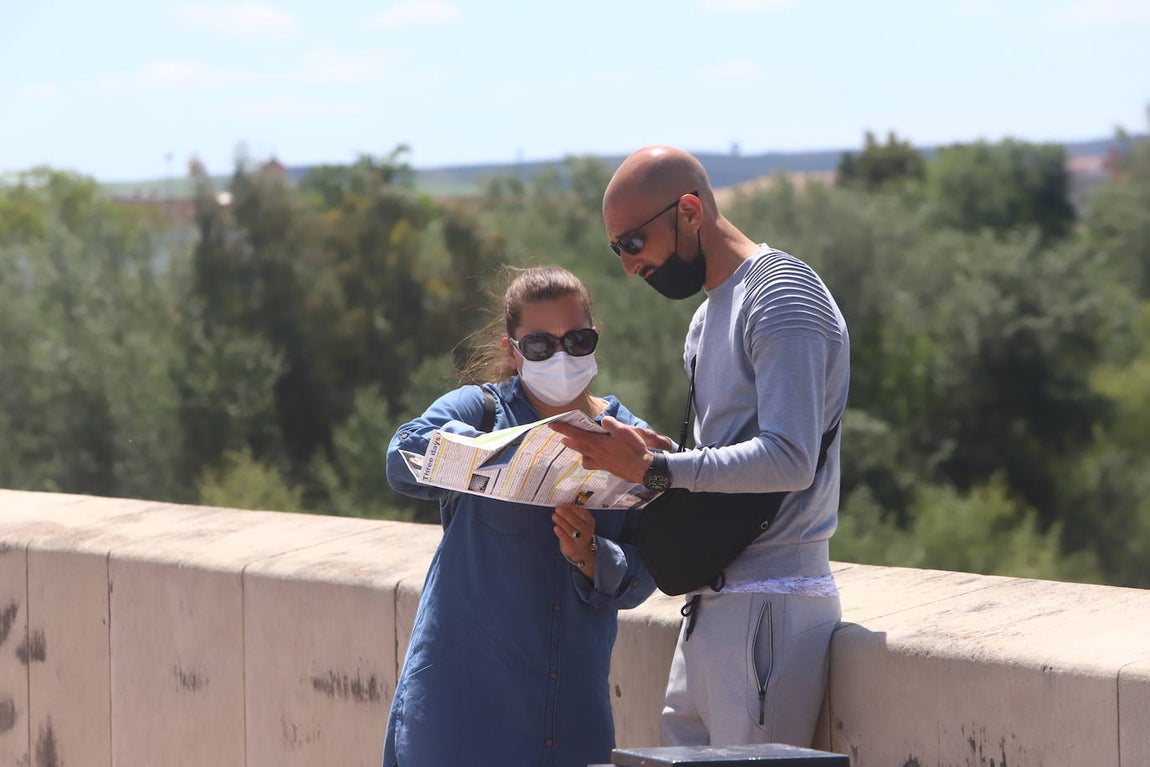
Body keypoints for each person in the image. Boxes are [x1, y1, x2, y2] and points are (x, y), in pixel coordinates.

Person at [551, 146, 850, 749]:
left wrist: (656, 467)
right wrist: (652, 451)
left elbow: (790, 458)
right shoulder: (707, 317)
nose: (629, 267)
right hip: (713, 600)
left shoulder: (781, 295)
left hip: (773, 601)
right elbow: (723, 459)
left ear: (689, 210)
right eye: (617, 251)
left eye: (633, 244)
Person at [382, 265, 657, 767]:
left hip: (569, 721)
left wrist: (591, 555)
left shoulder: (628, 439)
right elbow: (402, 456)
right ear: (513, 352)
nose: (561, 355)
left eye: (576, 339)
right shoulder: (481, 409)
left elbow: (644, 576)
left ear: (594, 340)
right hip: (460, 717)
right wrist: (494, 455)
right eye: (540, 346)